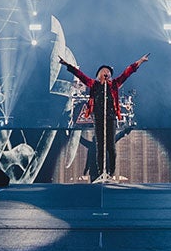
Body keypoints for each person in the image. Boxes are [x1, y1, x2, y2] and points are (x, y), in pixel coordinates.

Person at [60, 53, 147, 182]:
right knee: (100, 147)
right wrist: (68, 65)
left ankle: (110, 172)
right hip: (98, 117)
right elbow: (80, 75)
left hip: (110, 117)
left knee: (110, 146)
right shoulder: (93, 84)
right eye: (104, 71)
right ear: (99, 74)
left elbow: (127, 73)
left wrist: (140, 61)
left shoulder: (114, 84)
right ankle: (101, 172)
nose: (106, 72)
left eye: (108, 72)